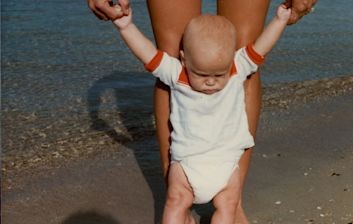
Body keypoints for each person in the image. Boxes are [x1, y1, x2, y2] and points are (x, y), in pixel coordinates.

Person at [87, 0, 317, 223]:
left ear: (229, 63)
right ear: (185, 61)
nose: (211, 83)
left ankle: (234, 210)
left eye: (219, 75)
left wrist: (279, 20)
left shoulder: (237, 68)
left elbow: (260, 47)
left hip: (227, 164)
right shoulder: (176, 73)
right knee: (176, 202)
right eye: (201, 75)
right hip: (186, 163)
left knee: (227, 205)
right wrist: (126, 27)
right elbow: (148, 54)